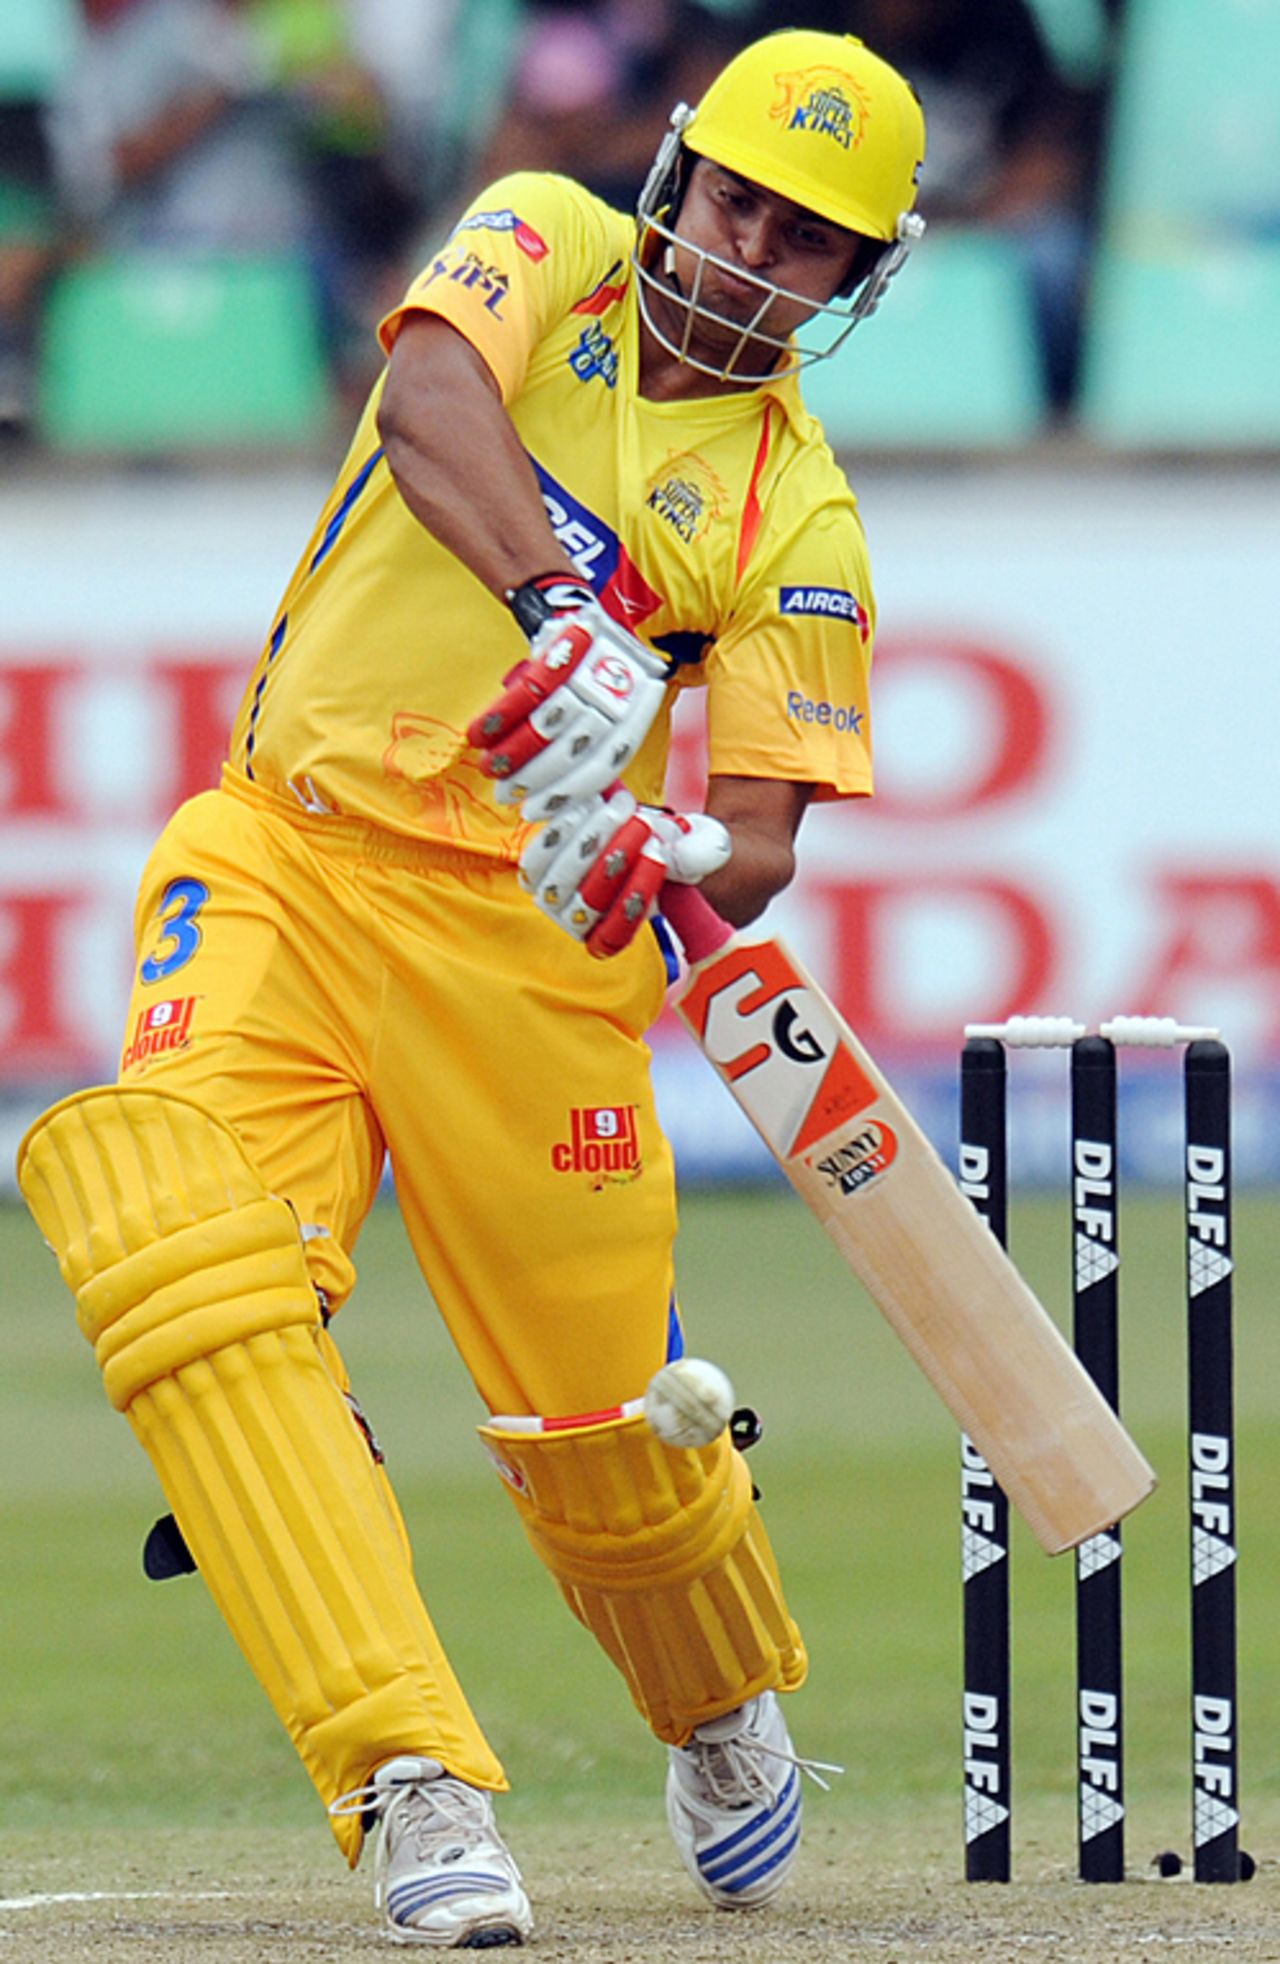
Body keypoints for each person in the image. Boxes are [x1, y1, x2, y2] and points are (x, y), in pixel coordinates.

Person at [18, 26, 925, 1950]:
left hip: (528, 949)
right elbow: (432, 399)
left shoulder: (798, 513)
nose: (754, 250)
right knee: (191, 1281)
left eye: (811, 239)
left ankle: (717, 1699)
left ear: (859, 278)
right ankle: (409, 1779)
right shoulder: (548, 236)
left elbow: (753, 835)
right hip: (286, 853)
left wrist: (676, 853)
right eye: (745, 196)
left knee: (604, 1434)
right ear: (682, 167)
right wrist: (567, 613)